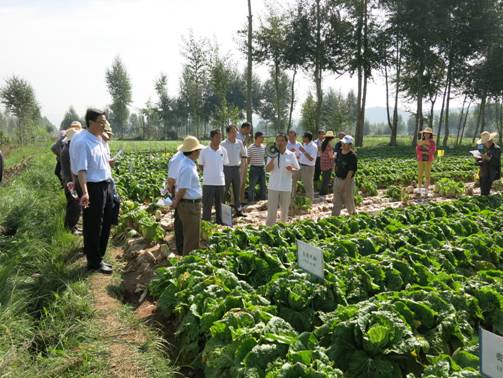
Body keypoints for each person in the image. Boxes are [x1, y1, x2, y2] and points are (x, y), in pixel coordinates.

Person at [70, 109, 113, 274]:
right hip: (93, 187)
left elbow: (102, 160)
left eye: (105, 122)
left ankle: (98, 255)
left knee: (106, 219)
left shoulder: (98, 138)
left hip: (105, 183)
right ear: (91, 123)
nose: (104, 125)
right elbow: (81, 170)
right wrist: (85, 192)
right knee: (93, 224)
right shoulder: (83, 142)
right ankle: (94, 262)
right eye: (101, 122)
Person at [171, 136, 204, 254]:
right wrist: (176, 201)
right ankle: (189, 265)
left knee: (190, 235)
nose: (200, 152)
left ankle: (187, 261)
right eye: (198, 150)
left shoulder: (187, 163)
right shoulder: (187, 168)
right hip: (190, 206)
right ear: (194, 152)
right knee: (191, 239)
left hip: (189, 205)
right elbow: (183, 188)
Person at [266, 133, 300, 226]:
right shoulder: (271, 153)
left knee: (284, 211)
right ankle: (269, 229)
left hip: (286, 187)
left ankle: (283, 228)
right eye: (278, 140)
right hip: (273, 186)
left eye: (282, 140)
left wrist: (291, 169)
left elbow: (297, 169)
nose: (280, 142)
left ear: (286, 142)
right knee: (271, 211)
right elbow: (267, 169)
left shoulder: (291, 154)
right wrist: (273, 158)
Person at [200, 130, 229, 225]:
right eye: (217, 137)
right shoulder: (204, 151)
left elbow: (225, 165)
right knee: (207, 205)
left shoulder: (223, 150)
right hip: (208, 182)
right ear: (211, 138)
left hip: (220, 182)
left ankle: (219, 223)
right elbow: (201, 166)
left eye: (220, 137)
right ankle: (206, 224)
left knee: (220, 205)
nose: (219, 139)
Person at [60, 127, 82, 234]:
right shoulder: (68, 150)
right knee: (75, 205)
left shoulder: (67, 148)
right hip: (70, 183)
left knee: (73, 205)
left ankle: (71, 227)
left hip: (68, 181)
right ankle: (70, 228)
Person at [221, 125, 247, 217]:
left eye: (235, 132)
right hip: (226, 169)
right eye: (232, 132)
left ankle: (238, 210)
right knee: (224, 191)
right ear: (227, 133)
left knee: (237, 190)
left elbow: (244, 155)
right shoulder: (222, 144)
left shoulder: (239, 143)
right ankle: (222, 212)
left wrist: (242, 168)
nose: (234, 134)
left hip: (236, 169)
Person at [332, 135, 357, 217]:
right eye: (342, 142)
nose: (342, 144)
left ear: (350, 145)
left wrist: (345, 185)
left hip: (347, 181)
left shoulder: (352, 156)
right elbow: (336, 162)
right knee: (336, 200)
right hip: (337, 179)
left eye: (345, 143)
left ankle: (353, 216)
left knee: (348, 200)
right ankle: (334, 217)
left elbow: (350, 171)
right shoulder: (339, 152)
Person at [166, 147, 185, 254]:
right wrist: (172, 194)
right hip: (178, 191)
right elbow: (171, 179)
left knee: (180, 218)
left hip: (179, 191)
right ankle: (180, 246)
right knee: (179, 219)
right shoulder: (177, 159)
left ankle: (181, 244)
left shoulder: (182, 158)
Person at [475, 131, 501, 196]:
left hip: (491, 173)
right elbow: (480, 161)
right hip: (483, 172)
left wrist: (487, 158)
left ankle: (487, 202)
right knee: (483, 191)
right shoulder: (483, 147)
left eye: (485, 142)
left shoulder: (496, 149)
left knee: (486, 191)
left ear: (490, 141)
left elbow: (496, 162)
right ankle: (484, 200)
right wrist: (477, 159)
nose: (484, 144)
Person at [415, 127, 436, 195]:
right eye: (425, 133)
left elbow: (434, 150)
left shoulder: (432, 142)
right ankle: (419, 189)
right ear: (423, 134)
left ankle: (426, 190)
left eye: (428, 134)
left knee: (427, 174)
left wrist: (428, 152)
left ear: (430, 135)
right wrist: (423, 152)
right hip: (420, 159)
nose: (426, 135)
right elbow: (417, 149)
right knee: (420, 174)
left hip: (428, 159)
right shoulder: (420, 141)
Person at [247, 131, 266, 202]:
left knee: (263, 186)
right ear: (257, 138)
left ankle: (263, 202)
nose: (263, 138)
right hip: (254, 169)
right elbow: (248, 160)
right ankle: (251, 202)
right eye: (261, 137)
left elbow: (265, 157)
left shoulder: (264, 147)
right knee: (252, 186)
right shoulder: (250, 147)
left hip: (262, 168)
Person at [298, 132, 318, 200]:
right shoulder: (305, 144)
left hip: (308, 168)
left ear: (307, 138)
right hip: (301, 166)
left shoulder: (313, 146)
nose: (302, 138)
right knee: (295, 181)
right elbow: (303, 155)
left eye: (303, 137)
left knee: (308, 185)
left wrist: (303, 151)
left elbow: (311, 158)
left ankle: (310, 202)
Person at [238, 122, 252, 204]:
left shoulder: (243, 136)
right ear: (245, 128)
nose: (249, 132)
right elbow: (240, 147)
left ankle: (241, 199)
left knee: (243, 181)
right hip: (240, 159)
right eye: (249, 129)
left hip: (245, 159)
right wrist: (246, 139)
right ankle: (236, 201)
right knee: (239, 181)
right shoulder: (238, 136)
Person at [319, 131, 335, 195]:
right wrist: (335, 156)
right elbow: (331, 156)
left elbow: (321, 153)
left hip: (323, 163)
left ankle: (322, 191)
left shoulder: (323, 143)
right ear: (331, 138)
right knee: (326, 179)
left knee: (324, 178)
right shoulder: (329, 145)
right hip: (328, 163)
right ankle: (324, 192)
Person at [287, 130, 302, 198]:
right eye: (290, 136)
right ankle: (289, 196)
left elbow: (302, 154)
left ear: (295, 136)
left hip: (296, 165)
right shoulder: (286, 144)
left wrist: (299, 156)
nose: (291, 138)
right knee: (289, 182)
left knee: (296, 182)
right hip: (288, 166)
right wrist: (290, 152)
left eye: (292, 136)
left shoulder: (299, 144)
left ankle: (294, 196)